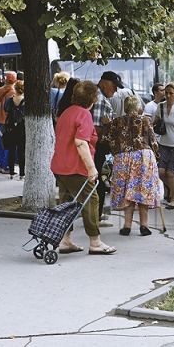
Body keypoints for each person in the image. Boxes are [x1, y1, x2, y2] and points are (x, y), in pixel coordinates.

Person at [52, 81, 116, 255]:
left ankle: (65, 240)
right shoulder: (84, 115)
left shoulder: (66, 113)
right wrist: (91, 168)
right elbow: (81, 143)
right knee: (92, 200)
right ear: (92, 99)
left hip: (60, 165)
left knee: (66, 203)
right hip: (75, 167)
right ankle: (95, 242)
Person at [101, 96, 160, 236]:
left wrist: (108, 125)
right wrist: (155, 155)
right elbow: (154, 142)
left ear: (125, 108)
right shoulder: (145, 120)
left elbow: (105, 139)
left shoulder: (117, 122)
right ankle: (144, 225)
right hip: (144, 157)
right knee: (143, 189)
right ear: (138, 107)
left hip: (124, 157)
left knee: (128, 191)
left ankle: (127, 226)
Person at [91, 71, 124, 226]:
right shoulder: (100, 100)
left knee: (100, 181)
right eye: (114, 86)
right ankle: (95, 216)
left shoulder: (100, 97)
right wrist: (110, 127)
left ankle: (96, 214)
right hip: (99, 148)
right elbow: (96, 130)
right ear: (105, 83)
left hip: (98, 148)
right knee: (100, 182)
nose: (116, 90)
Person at [0, 72, 16, 174]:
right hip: (9, 122)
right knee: (9, 145)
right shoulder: (14, 93)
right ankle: (7, 167)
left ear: (5, 80)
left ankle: (1, 165)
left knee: (0, 144)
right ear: (15, 80)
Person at [3, 80, 26, 180]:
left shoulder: (9, 100)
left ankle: (11, 172)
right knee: (21, 151)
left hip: (11, 127)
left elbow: (5, 109)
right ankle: (22, 173)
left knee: (11, 150)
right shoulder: (25, 100)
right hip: (22, 127)